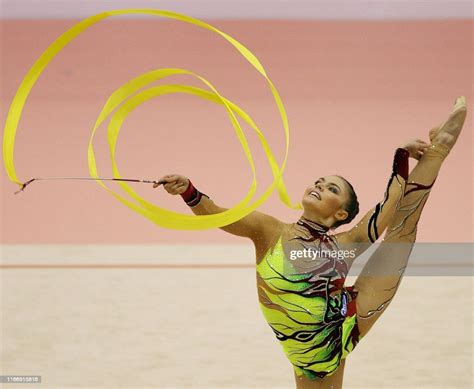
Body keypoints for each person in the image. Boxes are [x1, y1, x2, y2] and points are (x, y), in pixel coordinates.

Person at [154, 96, 467, 388]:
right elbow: (220, 215)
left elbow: (389, 205)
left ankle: (438, 149)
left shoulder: (346, 243)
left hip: (347, 317)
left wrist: (401, 155)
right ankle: (437, 148)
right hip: (310, 348)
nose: (320, 185)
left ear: (340, 212)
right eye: (320, 181)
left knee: (401, 232)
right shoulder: (268, 231)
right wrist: (188, 191)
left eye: (332, 189)